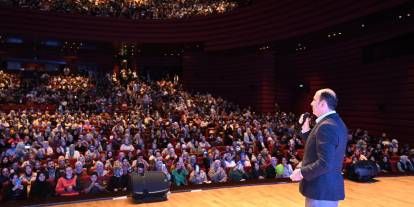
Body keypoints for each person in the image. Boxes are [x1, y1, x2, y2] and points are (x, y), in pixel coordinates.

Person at [290, 88, 347, 207]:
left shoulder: (326, 126)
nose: (311, 103)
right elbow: (317, 146)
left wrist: (302, 173)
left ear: (322, 104)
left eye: (314, 100)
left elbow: (325, 163)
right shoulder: (333, 122)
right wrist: (305, 129)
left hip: (321, 189)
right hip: (324, 188)